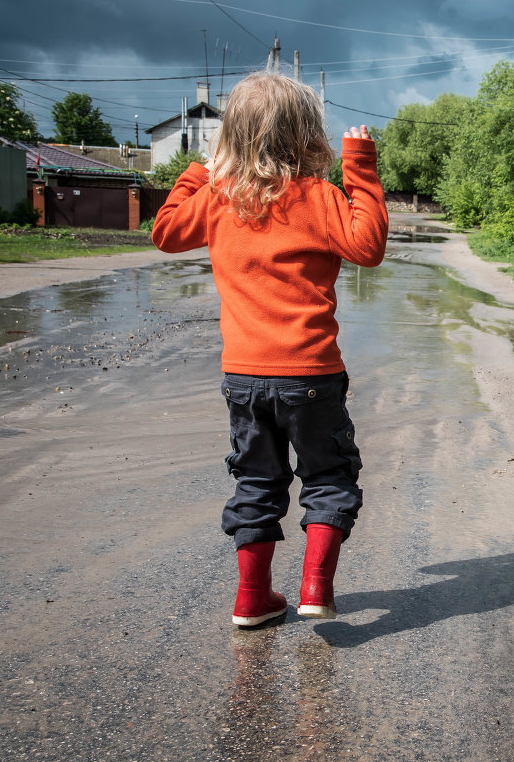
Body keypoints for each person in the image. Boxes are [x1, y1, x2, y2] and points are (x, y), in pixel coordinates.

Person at [152, 71, 388, 627]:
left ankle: (251, 599)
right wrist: (360, 168)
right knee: (328, 477)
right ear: (308, 134)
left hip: (243, 377)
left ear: (231, 137)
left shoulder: (217, 197)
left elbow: (163, 231)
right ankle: (314, 588)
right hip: (311, 375)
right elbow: (369, 246)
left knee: (256, 482)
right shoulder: (321, 196)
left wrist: (198, 173)